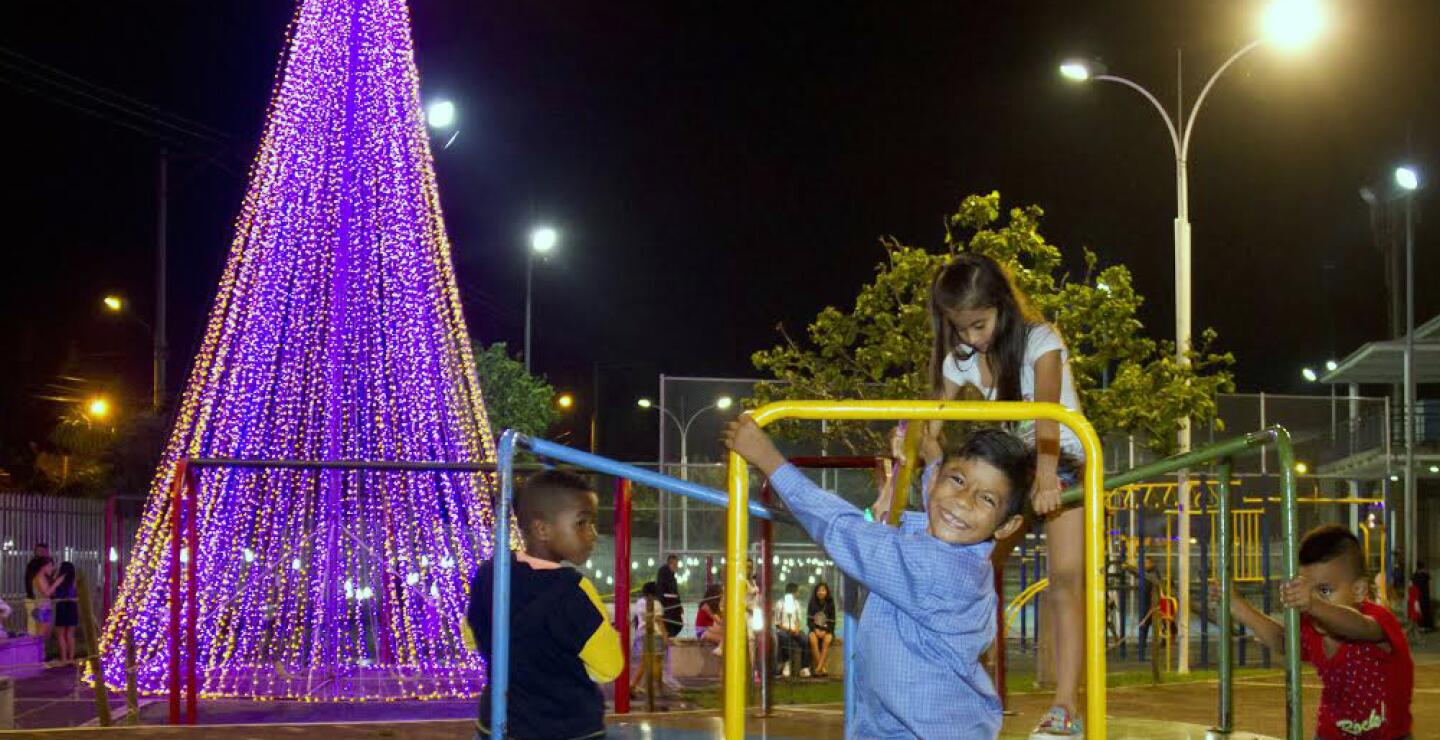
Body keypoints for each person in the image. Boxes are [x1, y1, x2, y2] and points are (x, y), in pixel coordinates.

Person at [725, 417, 1029, 739]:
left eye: (987, 499)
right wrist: (928, 451)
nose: (963, 501)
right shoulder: (952, 549)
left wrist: (769, 460)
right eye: (958, 480)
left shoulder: (937, 571)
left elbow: (842, 529)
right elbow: (939, 493)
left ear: (1007, 526)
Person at [927, 253, 1087, 739]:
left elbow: (1047, 415)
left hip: (1061, 459)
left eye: (979, 325)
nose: (971, 337)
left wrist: (1046, 477)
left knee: (1065, 579)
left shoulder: (1040, 339)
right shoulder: (964, 356)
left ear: (1002, 305)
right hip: (1014, 468)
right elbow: (933, 413)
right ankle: (962, 680)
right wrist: (914, 439)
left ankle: (1066, 705)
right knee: (972, 568)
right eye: (960, 328)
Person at [467, 470, 622, 740]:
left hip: (498, 724)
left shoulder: (489, 574)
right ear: (542, 529)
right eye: (582, 523)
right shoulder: (574, 591)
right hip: (567, 728)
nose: (593, 534)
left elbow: (471, 636)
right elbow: (610, 666)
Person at [1223, 525, 1413, 740]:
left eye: (1325, 590)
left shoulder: (1377, 619)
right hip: (1331, 735)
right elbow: (1283, 641)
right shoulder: (1311, 626)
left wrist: (1313, 604)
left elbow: (1358, 627)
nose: (1312, 598)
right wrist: (1237, 605)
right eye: (1307, 590)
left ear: (1359, 590)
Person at [774, 582, 808, 678]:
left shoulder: (797, 604)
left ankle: (804, 667)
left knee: (805, 639)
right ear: (793, 593)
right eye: (797, 592)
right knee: (785, 638)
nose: (798, 594)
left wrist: (796, 629)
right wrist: (788, 629)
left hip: (794, 629)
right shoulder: (780, 604)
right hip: (783, 629)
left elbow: (798, 620)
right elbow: (777, 623)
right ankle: (787, 663)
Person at [807, 582, 836, 677]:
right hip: (814, 630)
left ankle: (818, 669)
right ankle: (822, 668)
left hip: (827, 630)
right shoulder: (812, 603)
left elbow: (832, 622)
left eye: (823, 590)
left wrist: (825, 631)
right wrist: (815, 630)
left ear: (827, 592)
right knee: (812, 639)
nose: (821, 592)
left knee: (827, 641)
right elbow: (809, 621)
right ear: (816, 592)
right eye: (819, 590)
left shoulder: (831, 604)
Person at [23, 543, 52, 639]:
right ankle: (33, 645)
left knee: (42, 627)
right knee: (34, 626)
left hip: (41, 600)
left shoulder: (44, 566)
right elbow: (30, 581)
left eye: (43, 551)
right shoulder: (34, 565)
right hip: (34, 599)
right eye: (38, 551)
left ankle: (38, 644)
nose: (40, 553)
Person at [52, 562, 79, 665]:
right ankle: (71, 658)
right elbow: (76, 593)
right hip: (72, 606)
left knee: (61, 635)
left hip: (62, 606)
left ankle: (63, 659)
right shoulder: (74, 581)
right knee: (70, 635)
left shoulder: (59, 579)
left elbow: (53, 591)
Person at [28, 556, 56, 644]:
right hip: (41, 609)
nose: (52, 568)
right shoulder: (38, 578)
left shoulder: (45, 578)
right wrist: (57, 582)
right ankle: (38, 652)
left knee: (46, 635)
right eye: (50, 566)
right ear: (43, 566)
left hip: (46, 608)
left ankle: (41, 651)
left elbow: (52, 593)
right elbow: (46, 593)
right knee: (41, 636)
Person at [657, 555, 684, 638]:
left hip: (673, 608)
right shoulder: (663, 574)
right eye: (674, 564)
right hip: (668, 608)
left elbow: (675, 592)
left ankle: (669, 639)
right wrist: (662, 605)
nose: (676, 567)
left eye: (676, 564)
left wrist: (679, 605)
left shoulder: (672, 576)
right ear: (670, 564)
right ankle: (669, 640)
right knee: (671, 626)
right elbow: (661, 590)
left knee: (677, 625)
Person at [695, 583, 723, 648]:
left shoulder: (714, 606)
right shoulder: (706, 606)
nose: (722, 597)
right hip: (702, 631)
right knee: (723, 638)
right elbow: (719, 621)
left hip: (709, 628)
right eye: (721, 594)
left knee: (726, 634)